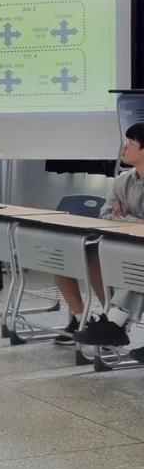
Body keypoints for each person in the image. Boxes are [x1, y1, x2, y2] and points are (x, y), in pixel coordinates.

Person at [72, 122, 144, 359]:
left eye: (131, 143)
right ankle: (112, 322)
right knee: (92, 252)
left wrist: (124, 217)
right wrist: (134, 220)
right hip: (127, 244)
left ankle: (114, 324)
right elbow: (105, 213)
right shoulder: (124, 179)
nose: (124, 147)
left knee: (138, 263)